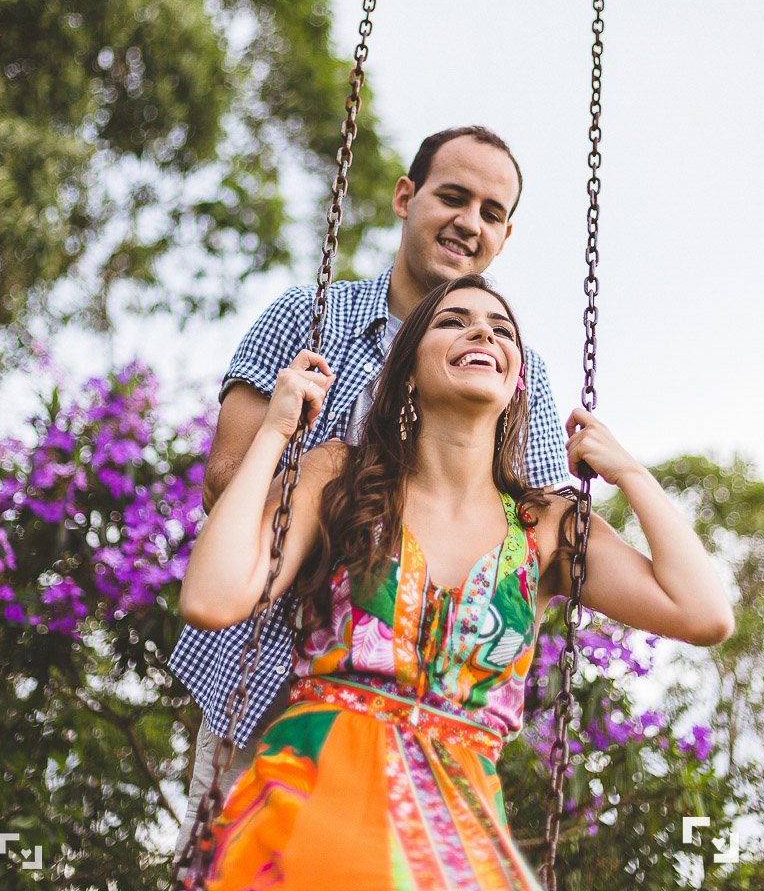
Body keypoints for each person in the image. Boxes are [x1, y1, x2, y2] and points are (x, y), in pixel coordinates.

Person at [179, 274, 734, 890]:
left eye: (501, 329)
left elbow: (703, 613)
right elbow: (211, 597)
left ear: (516, 377)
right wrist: (275, 435)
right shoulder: (339, 476)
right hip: (311, 817)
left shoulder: (544, 524)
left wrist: (630, 471)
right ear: (407, 371)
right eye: (453, 321)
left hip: (462, 845)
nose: (482, 332)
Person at [170, 125, 572, 855]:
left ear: (505, 237)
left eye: (490, 211)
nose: (468, 223)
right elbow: (226, 478)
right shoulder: (308, 316)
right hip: (263, 690)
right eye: (453, 197)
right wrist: (348, 473)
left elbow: (534, 524)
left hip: (420, 713)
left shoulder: (519, 373)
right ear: (405, 197)